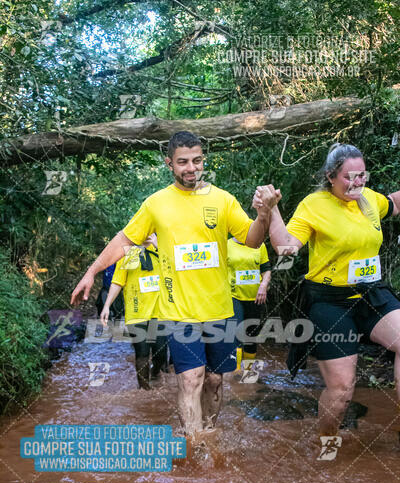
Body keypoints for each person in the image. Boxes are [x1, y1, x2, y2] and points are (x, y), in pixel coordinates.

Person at [71, 131, 278, 436]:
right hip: (179, 311)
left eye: (197, 160)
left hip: (220, 308)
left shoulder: (222, 200)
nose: (191, 168)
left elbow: (252, 239)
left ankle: (208, 433)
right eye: (183, 162)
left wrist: (263, 215)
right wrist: (91, 271)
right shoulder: (156, 204)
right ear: (169, 163)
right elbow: (124, 241)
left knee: (214, 380)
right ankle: (195, 445)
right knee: (192, 378)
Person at [254, 143, 400, 447]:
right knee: (342, 389)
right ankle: (327, 443)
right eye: (350, 177)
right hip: (329, 301)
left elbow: (394, 203)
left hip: (372, 293)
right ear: (331, 176)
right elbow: (286, 250)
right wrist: (272, 211)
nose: (358, 182)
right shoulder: (314, 205)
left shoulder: (369, 199)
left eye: (362, 175)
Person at [100, 234, 168, 390]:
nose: (146, 234)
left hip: (160, 312)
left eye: (150, 231)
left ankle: (156, 372)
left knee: (161, 352)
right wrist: (107, 305)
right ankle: (144, 389)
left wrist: (158, 245)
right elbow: (118, 282)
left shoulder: (163, 251)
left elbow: (175, 271)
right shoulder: (128, 253)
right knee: (142, 353)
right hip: (136, 312)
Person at [227, 237, 271, 371]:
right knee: (236, 333)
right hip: (233, 296)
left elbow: (266, 269)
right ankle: (235, 373)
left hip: (256, 297)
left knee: (252, 336)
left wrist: (264, 285)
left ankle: (248, 374)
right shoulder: (226, 244)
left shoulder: (259, 244)